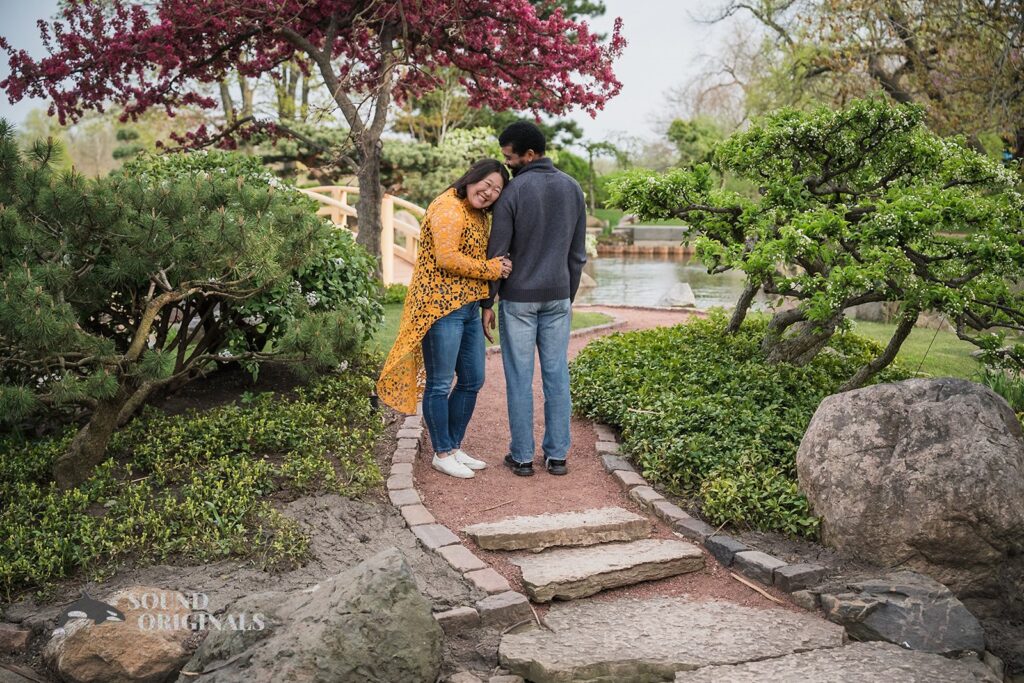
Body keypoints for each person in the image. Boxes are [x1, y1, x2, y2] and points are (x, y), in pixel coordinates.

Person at [377, 160, 513, 479]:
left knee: (472, 379)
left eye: (497, 190)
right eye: (487, 184)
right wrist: (492, 269)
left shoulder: (476, 214)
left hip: (465, 307)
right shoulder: (448, 207)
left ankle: (453, 445)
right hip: (440, 307)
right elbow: (447, 258)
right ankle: (442, 451)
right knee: (440, 383)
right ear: (472, 178)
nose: (490, 192)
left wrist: (484, 302)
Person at [481, 121, 588, 477]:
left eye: (510, 158)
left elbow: (498, 253)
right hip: (558, 297)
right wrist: (566, 296)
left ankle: (523, 458)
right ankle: (557, 457)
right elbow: (577, 255)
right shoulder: (573, 189)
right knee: (557, 376)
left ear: (529, 155)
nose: (506, 164)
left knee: (519, 377)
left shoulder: (512, 193)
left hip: (519, 301)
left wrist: (487, 303)